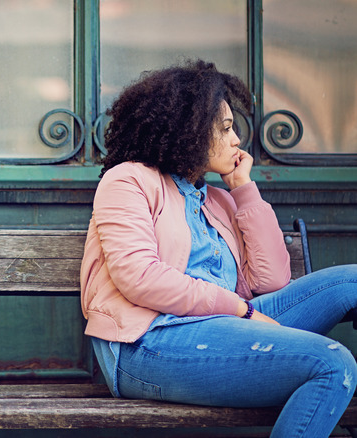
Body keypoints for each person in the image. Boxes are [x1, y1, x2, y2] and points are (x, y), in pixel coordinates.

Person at [80, 60, 357, 437]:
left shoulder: (219, 199)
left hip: (230, 325)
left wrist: (243, 189)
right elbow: (140, 278)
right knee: (332, 364)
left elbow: (272, 279)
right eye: (225, 128)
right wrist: (240, 310)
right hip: (149, 344)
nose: (237, 140)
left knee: (352, 281)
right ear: (188, 130)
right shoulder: (127, 181)